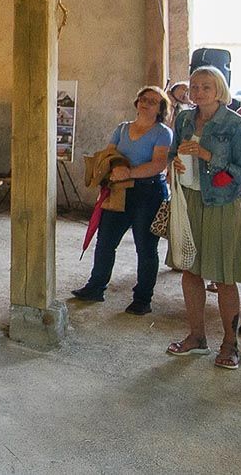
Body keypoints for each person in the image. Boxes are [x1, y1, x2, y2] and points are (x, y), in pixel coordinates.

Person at [164, 66, 241, 369]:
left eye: (206, 86)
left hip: (222, 205)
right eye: (194, 86)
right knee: (190, 270)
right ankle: (197, 337)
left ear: (219, 90)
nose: (198, 92)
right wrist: (175, 163)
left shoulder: (236, 125)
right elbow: (172, 154)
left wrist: (206, 156)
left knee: (224, 278)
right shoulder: (184, 118)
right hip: (189, 200)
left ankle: (229, 343)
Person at [71, 87, 171, 315]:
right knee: (106, 241)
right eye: (143, 99)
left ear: (160, 109)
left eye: (153, 101)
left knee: (145, 247)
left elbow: (158, 164)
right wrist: (116, 167)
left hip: (148, 193)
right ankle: (96, 287)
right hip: (118, 190)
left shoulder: (162, 133)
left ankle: (143, 299)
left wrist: (129, 172)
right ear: (137, 103)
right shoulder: (122, 128)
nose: (146, 104)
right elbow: (109, 154)